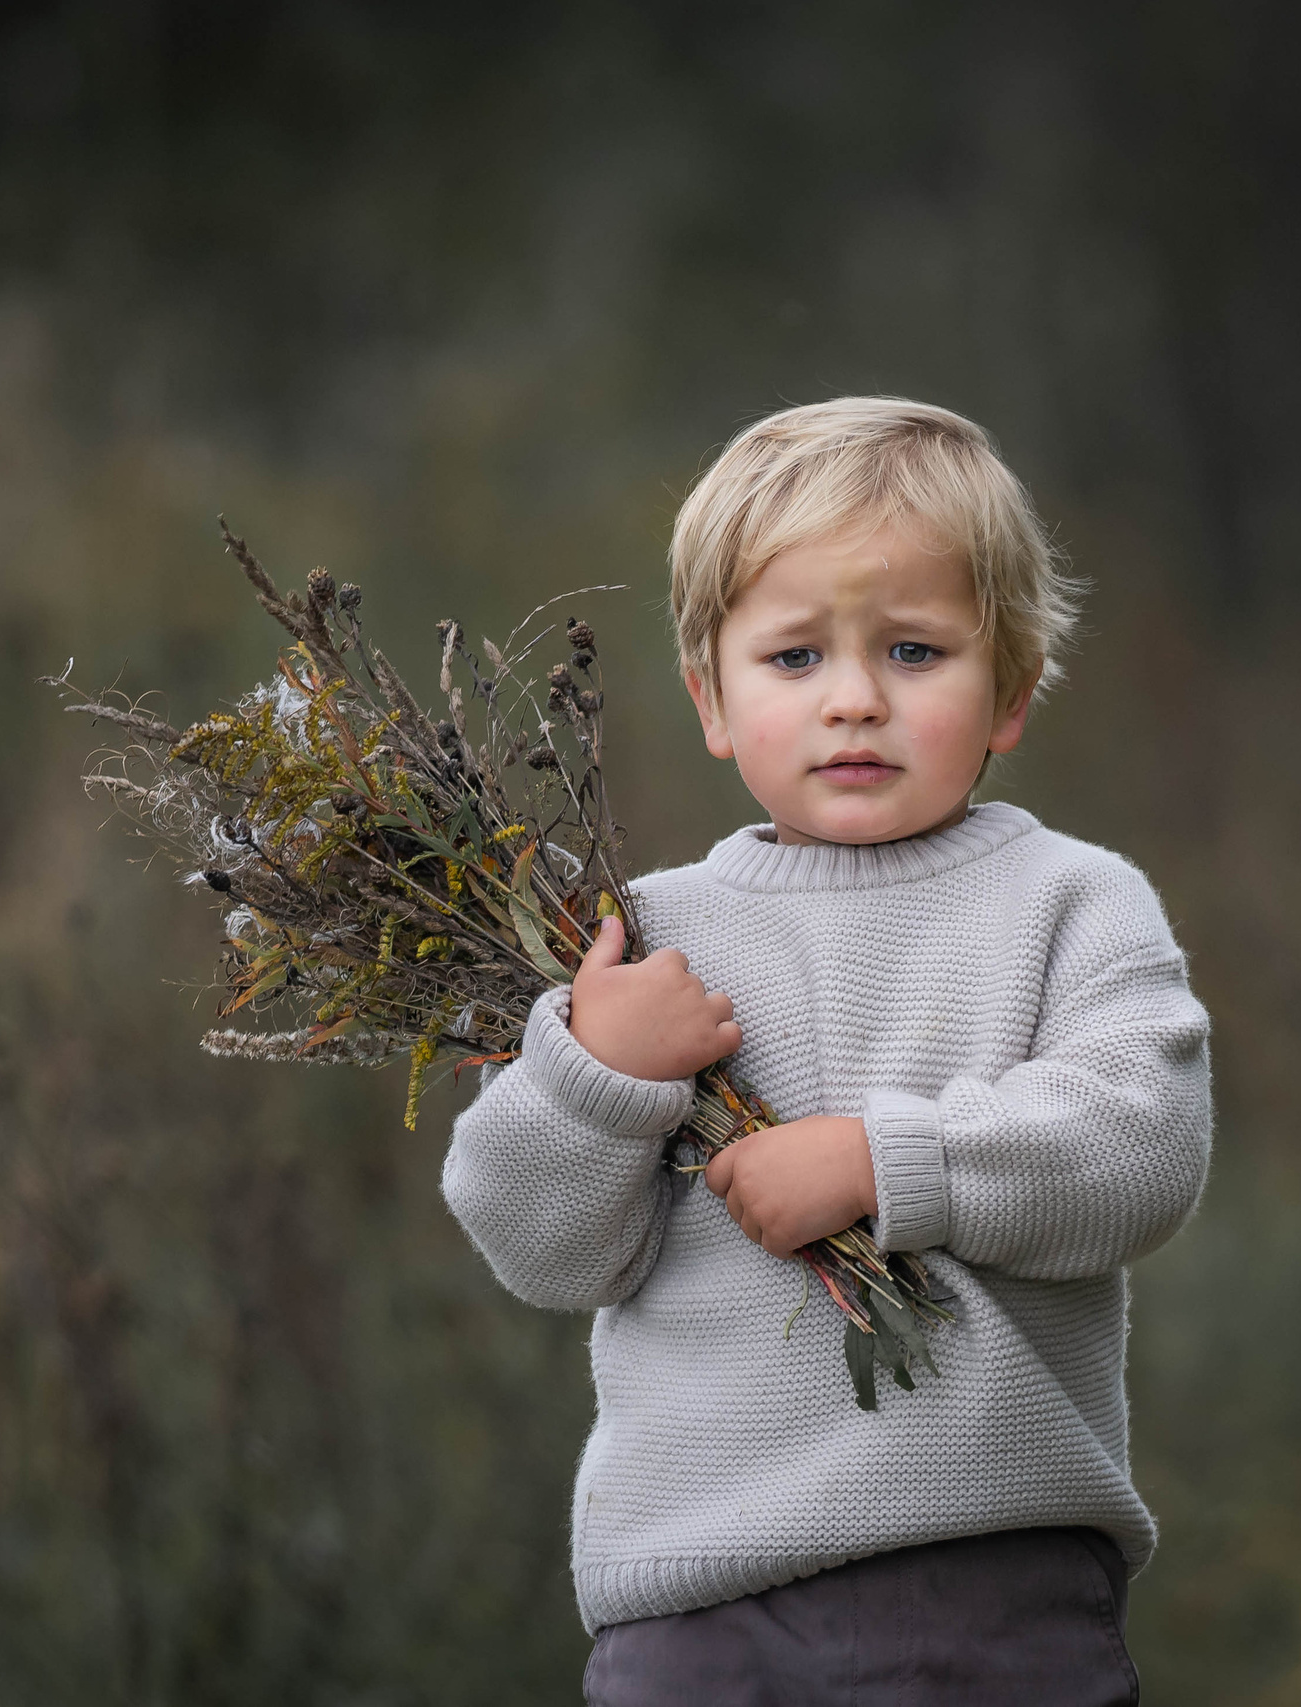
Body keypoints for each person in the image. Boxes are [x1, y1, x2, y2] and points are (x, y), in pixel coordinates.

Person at [441, 396, 1212, 1705]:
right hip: (697, 1618)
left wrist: (881, 1162)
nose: (854, 700)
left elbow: (1140, 1149)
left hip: (991, 1591)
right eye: (795, 657)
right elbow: (540, 1249)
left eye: (915, 651)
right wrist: (596, 1076)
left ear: (1012, 689)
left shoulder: (1071, 903)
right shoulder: (639, 947)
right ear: (712, 698)